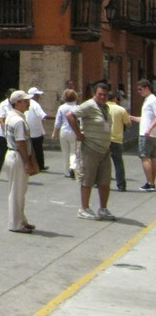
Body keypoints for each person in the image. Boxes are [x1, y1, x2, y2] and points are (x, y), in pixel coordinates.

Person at [66, 81, 115, 220]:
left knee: (105, 180)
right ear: (95, 94)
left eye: (105, 95)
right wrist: (78, 134)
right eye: (100, 94)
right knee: (87, 179)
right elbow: (70, 115)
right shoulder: (89, 105)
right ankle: (84, 208)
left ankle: (103, 208)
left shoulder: (106, 107)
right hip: (90, 148)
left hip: (105, 149)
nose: (103, 97)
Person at [4, 90, 36, 233]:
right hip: (17, 156)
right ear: (17, 103)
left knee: (19, 190)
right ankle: (15, 223)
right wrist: (27, 162)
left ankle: (21, 220)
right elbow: (20, 142)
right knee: (17, 192)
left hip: (13, 155)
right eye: (25, 101)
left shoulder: (11, 117)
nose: (28, 103)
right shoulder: (18, 121)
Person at [51, 87, 79, 178]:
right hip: (74, 130)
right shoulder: (77, 108)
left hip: (64, 130)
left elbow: (58, 121)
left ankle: (66, 171)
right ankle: (73, 167)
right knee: (74, 151)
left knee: (65, 151)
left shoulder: (61, 107)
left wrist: (54, 132)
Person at [133, 80, 156, 191]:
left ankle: (150, 183)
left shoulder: (152, 100)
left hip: (146, 134)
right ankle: (152, 182)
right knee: (153, 157)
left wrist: (149, 129)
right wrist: (131, 117)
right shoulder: (148, 100)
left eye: (140, 89)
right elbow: (145, 119)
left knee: (144, 157)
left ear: (147, 87)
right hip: (151, 133)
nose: (139, 92)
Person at [107, 88, 131, 192]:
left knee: (102, 162)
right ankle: (121, 185)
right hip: (117, 139)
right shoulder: (121, 109)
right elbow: (128, 124)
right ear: (115, 99)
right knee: (118, 163)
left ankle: (100, 182)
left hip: (104, 139)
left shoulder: (102, 108)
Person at [26, 87, 48, 171]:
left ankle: (32, 164)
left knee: (29, 149)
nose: (39, 96)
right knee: (38, 149)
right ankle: (40, 165)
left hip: (28, 130)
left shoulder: (26, 103)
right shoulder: (35, 105)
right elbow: (43, 115)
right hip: (36, 131)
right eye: (38, 95)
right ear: (34, 95)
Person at [0, 94, 12, 181]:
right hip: (3, 134)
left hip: (13, 134)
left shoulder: (17, 104)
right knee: (1, 153)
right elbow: (1, 119)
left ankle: (13, 174)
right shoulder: (3, 104)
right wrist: (6, 130)